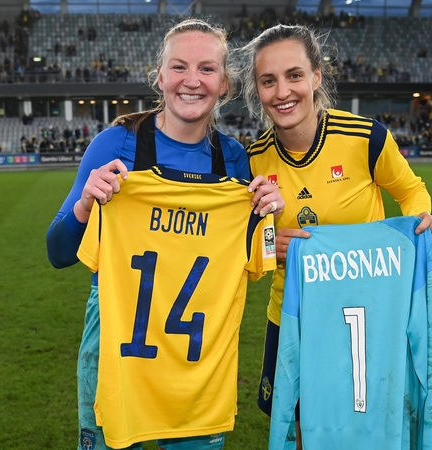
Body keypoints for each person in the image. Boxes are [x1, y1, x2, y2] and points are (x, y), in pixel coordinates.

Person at [46, 19, 284, 450]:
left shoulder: (233, 161)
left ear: (225, 84)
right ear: (159, 76)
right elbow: (58, 252)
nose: (192, 81)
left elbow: (259, 260)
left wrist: (269, 215)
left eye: (207, 69)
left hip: (196, 367)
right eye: (179, 67)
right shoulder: (116, 144)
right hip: (118, 351)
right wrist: (85, 204)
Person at [236, 24, 432, 448]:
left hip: (365, 317)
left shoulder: (365, 139)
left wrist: (421, 218)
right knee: (303, 431)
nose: (283, 92)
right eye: (268, 80)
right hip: (295, 317)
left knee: (367, 428)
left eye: (294, 75)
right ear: (257, 90)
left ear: (316, 76)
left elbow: (409, 189)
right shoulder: (252, 160)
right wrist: (268, 247)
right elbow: (246, 252)